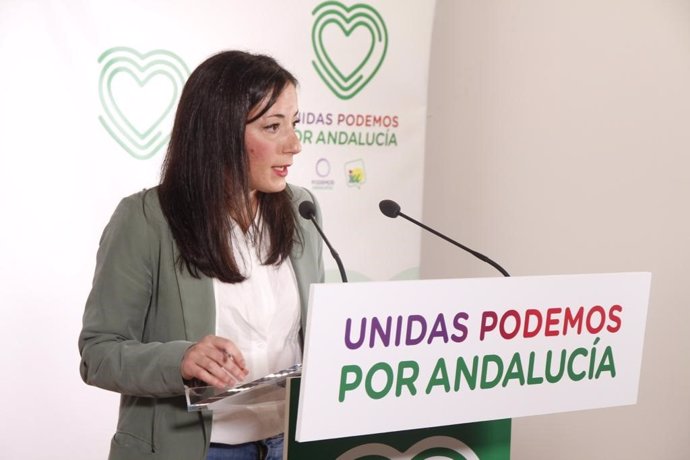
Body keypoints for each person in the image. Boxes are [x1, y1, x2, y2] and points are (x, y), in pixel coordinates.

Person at [79, 50, 324, 460]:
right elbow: (98, 354)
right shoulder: (146, 220)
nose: (295, 145)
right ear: (220, 134)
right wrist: (181, 359)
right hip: (197, 450)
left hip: (287, 446)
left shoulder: (302, 211)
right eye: (273, 127)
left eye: (294, 124)